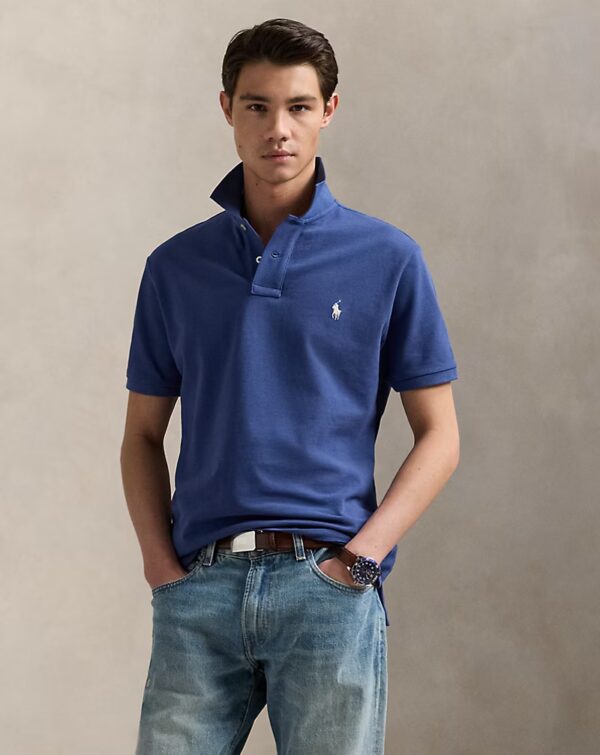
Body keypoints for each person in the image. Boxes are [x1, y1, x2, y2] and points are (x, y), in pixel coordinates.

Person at [120, 17, 460, 755]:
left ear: (328, 110)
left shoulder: (388, 258)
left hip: (328, 588)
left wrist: (360, 560)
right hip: (201, 588)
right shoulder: (174, 268)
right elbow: (142, 435)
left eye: (299, 106)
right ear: (227, 109)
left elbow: (441, 435)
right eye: (257, 106)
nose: (278, 128)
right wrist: (161, 566)